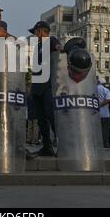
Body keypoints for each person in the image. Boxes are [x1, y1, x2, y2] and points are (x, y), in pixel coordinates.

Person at [28, 20, 62, 156]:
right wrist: (31, 86)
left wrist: (61, 48)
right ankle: (47, 146)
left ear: (42, 30)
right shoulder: (38, 47)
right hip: (37, 86)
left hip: (48, 84)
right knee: (40, 118)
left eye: (36, 31)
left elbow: (59, 47)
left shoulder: (51, 40)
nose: (35, 34)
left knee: (51, 114)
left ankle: (63, 144)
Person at [97, 78, 110, 148]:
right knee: (105, 130)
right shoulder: (106, 90)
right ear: (104, 83)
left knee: (97, 129)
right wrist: (100, 105)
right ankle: (105, 144)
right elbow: (108, 99)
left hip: (95, 113)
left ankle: (97, 144)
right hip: (105, 113)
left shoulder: (93, 88)